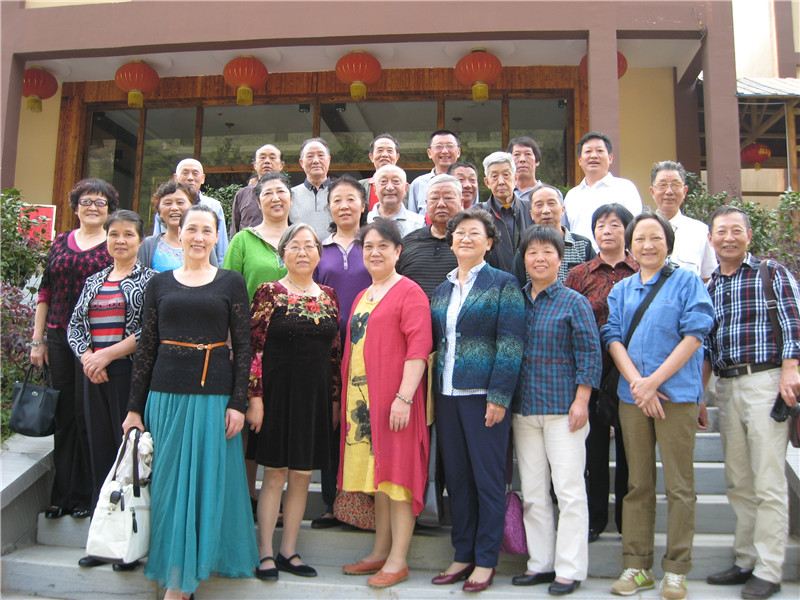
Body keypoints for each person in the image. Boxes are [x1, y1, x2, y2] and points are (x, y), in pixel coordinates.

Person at [121, 204, 257, 600]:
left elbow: (244, 347)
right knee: (168, 489)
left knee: (206, 486)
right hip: (164, 396)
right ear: (178, 233)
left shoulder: (231, 282)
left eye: (206, 230)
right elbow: (146, 346)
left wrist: (238, 402)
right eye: (191, 229)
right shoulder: (159, 283)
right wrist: (134, 408)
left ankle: (185, 581)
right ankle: (175, 574)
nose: (198, 237)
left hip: (214, 397)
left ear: (217, 237)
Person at [601, 211, 714, 600]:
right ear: (630, 246)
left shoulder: (687, 282)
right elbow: (613, 337)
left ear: (668, 243)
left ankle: (677, 570)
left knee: (680, 485)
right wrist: (638, 383)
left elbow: (695, 334)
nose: (648, 245)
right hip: (632, 397)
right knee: (638, 483)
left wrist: (653, 383)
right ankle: (637, 565)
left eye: (656, 238)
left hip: (676, 396)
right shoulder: (622, 289)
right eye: (640, 239)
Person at [704, 206, 800, 600]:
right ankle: (745, 559)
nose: (728, 238)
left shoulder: (770, 272)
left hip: (766, 380)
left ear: (748, 235)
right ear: (710, 239)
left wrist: (791, 370)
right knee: (738, 479)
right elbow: (706, 344)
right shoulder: (710, 286)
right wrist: (701, 395)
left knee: (768, 479)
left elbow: (793, 322)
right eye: (721, 231)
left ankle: (769, 568)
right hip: (726, 386)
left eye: (735, 230)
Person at [430, 209, 525, 593]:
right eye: (459, 233)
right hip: (447, 396)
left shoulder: (503, 284)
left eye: (474, 233)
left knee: (487, 480)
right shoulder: (443, 289)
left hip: (484, 398)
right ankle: (462, 553)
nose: (465, 238)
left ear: (488, 242)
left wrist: (499, 396)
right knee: (457, 479)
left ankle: (486, 559)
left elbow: (511, 345)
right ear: (451, 241)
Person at [338, 219, 432, 589]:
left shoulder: (409, 292)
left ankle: (398, 559)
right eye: (368, 247)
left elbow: (418, 349)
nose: (374, 253)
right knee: (378, 478)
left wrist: (404, 398)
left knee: (398, 478)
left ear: (398, 251)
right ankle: (379, 551)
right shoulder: (364, 294)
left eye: (383, 246)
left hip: (395, 402)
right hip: (363, 404)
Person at [511, 225, 602, 596]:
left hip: (565, 410)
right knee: (533, 492)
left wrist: (582, 400)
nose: (539, 258)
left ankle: (569, 569)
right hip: (524, 410)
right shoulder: (515, 300)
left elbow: (590, 354)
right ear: (524, 259)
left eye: (547, 251)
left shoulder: (574, 302)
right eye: (532, 252)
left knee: (569, 491)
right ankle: (540, 563)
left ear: (560, 258)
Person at [247, 223, 341, 581]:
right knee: (274, 474)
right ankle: (265, 552)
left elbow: (334, 354)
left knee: (302, 475)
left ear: (319, 253)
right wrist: (255, 398)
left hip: (315, 397)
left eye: (309, 246)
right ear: (282, 253)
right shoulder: (269, 292)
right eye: (295, 246)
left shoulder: (329, 295)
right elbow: (254, 349)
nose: (303, 252)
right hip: (276, 395)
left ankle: (289, 551)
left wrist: (334, 400)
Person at [67, 209, 156, 570]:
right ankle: (99, 543)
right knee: (100, 454)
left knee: (129, 461)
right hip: (94, 377)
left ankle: (129, 545)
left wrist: (107, 355)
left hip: (129, 376)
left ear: (140, 240)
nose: (120, 240)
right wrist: (89, 358)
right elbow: (75, 326)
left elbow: (149, 330)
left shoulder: (151, 281)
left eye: (128, 235)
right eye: (114, 234)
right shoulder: (94, 280)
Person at [30, 178, 117, 521]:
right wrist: (38, 339)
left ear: (109, 209)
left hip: (97, 343)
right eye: (86, 201)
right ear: (75, 206)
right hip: (58, 337)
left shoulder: (112, 245)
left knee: (88, 417)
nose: (93, 207)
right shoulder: (59, 242)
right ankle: (61, 496)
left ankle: (86, 496)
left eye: (100, 202)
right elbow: (45, 291)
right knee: (64, 415)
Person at [564, 203, 638, 542]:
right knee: (592, 450)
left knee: (629, 449)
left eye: (615, 224)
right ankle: (594, 519)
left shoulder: (641, 270)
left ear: (627, 230)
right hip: (590, 373)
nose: (607, 231)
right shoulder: (579, 274)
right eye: (601, 225)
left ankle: (627, 519)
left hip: (633, 374)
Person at [312, 175, 372, 529]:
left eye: (351, 199)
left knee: (364, 420)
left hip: (369, 347)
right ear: (329, 207)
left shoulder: (375, 243)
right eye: (337, 200)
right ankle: (332, 503)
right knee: (332, 421)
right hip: (329, 348)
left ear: (363, 204)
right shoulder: (319, 248)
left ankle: (366, 503)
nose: (344, 206)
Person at [564, 132, 643, 249]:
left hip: (616, 257)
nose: (594, 156)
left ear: (610, 158)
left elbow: (635, 228)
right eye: (588, 151)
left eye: (600, 151)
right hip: (580, 259)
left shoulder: (625, 188)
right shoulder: (572, 196)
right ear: (580, 160)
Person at [223, 173, 290, 302]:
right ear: (258, 203)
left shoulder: (302, 239)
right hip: (251, 315)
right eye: (268, 193)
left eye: (281, 191)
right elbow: (227, 289)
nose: (275, 198)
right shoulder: (242, 240)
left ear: (291, 199)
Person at [512, 184, 595, 286]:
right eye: (539, 205)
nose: (546, 210)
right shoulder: (525, 249)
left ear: (562, 210)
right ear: (531, 214)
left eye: (551, 203)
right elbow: (517, 288)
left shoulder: (583, 245)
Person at [396, 174, 462, 298]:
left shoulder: (471, 243)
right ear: (426, 204)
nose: (441, 204)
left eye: (448, 197)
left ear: (461, 202)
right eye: (434, 198)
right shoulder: (407, 243)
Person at [152, 158, 228, 264]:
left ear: (203, 178)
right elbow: (156, 244)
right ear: (175, 177)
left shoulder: (214, 206)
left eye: (195, 173)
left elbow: (222, 249)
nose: (190, 178)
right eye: (185, 173)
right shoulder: (165, 208)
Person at [649, 160, 716, 281]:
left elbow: (708, 277)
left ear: (685, 191)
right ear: (652, 191)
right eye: (663, 185)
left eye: (676, 185)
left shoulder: (700, 231)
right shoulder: (640, 231)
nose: (669, 191)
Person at [139, 181, 219, 271]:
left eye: (180, 202)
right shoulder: (148, 245)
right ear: (159, 211)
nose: (174, 208)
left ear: (192, 207)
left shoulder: (202, 243)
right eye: (168, 203)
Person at [474, 152, 532, 273]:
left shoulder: (531, 210)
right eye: (494, 176)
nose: (501, 181)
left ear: (515, 178)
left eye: (506, 175)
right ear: (487, 182)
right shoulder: (476, 214)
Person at [230, 144, 285, 236]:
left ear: (281, 165)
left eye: (272, 158)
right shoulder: (242, 194)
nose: (267, 161)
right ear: (255, 165)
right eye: (262, 158)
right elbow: (235, 229)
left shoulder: (288, 194)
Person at [407, 130, 461, 214]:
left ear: (458, 152)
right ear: (429, 153)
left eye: (450, 146)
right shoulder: (418, 184)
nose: (445, 151)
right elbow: (412, 218)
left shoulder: (466, 183)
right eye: (438, 146)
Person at [290, 137, 334, 240]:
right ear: (301, 162)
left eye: (321, 155)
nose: (315, 161)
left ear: (329, 160)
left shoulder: (340, 192)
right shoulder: (291, 195)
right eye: (310, 156)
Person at [366, 164, 424, 236]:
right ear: (375, 189)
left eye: (396, 181)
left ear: (406, 188)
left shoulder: (419, 223)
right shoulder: (364, 221)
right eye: (383, 181)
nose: (390, 187)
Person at [359, 134, 401, 210]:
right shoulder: (358, 187)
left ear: (397, 157)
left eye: (389, 151)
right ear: (371, 157)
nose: (384, 155)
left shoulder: (409, 189)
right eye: (380, 150)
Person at [508, 136, 544, 203]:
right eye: (516, 154)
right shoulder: (503, 194)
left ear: (537, 161)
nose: (522, 159)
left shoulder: (549, 193)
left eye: (528, 154)